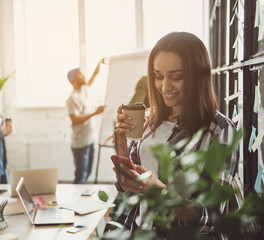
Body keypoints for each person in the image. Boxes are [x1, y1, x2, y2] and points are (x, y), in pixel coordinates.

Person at [114, 32, 238, 237]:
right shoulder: (151, 119)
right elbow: (128, 186)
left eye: (176, 77)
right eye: (158, 76)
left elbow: (211, 218)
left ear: (197, 76)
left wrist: (160, 192)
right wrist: (120, 142)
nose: (165, 87)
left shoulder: (219, 131)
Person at [66, 60, 106, 184]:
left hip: (89, 140)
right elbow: (75, 119)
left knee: (87, 173)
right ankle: (76, 201)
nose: (84, 76)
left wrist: (99, 64)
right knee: (81, 176)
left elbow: (91, 79)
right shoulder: (72, 99)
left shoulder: (83, 92)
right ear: (74, 80)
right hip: (80, 144)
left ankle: (81, 199)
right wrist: (95, 113)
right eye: (81, 74)